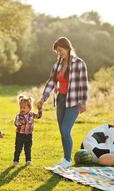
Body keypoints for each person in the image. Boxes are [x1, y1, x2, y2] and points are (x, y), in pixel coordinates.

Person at [37, 37, 88, 168]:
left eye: (61, 50)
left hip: (74, 101)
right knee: (62, 131)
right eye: (57, 51)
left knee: (65, 130)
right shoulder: (57, 65)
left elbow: (83, 84)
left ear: (67, 48)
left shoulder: (79, 63)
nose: (59, 53)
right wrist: (43, 98)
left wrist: (83, 102)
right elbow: (51, 82)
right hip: (60, 100)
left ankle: (68, 160)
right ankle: (66, 159)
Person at [13, 95, 42, 166]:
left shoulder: (32, 115)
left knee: (28, 148)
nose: (22, 109)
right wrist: (19, 123)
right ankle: (16, 160)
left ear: (29, 108)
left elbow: (38, 116)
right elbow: (16, 123)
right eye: (21, 108)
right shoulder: (19, 116)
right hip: (20, 134)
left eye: (24, 108)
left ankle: (28, 160)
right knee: (18, 148)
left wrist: (40, 109)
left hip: (29, 135)